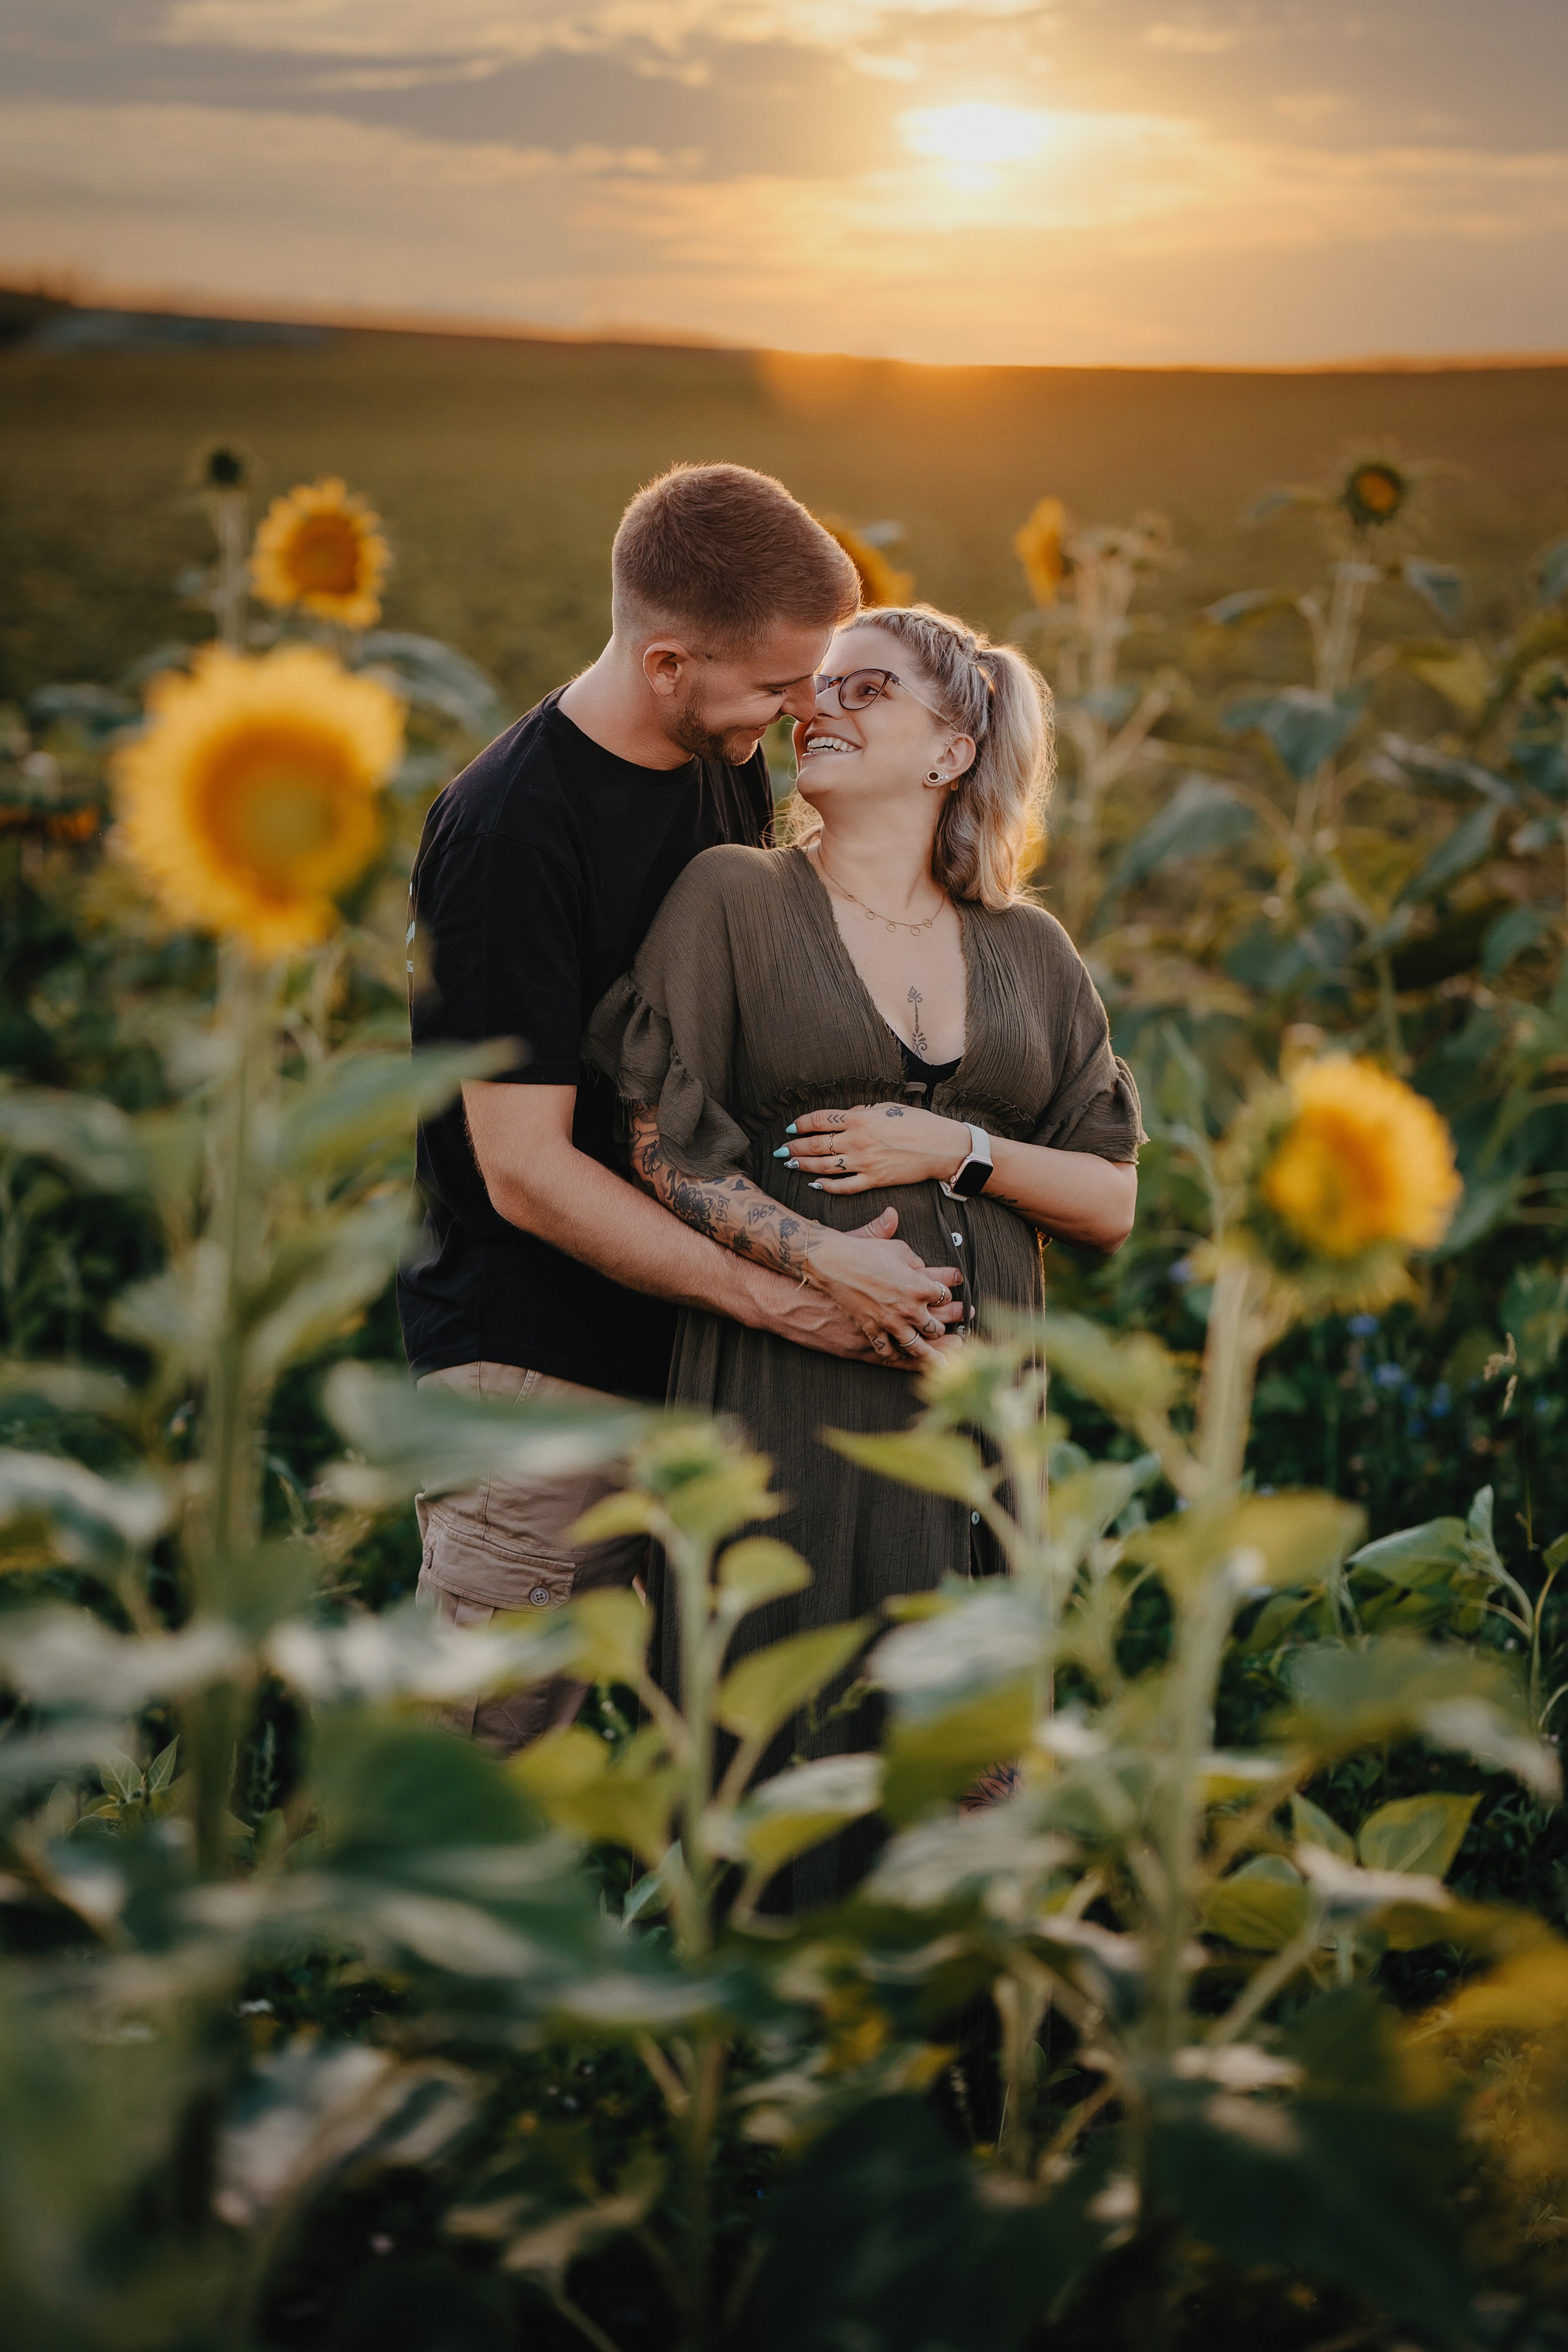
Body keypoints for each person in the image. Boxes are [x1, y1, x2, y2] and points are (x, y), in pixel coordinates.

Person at [399, 467, 965, 1752]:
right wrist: (794, 1292)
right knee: (466, 1790)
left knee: (718, 1771)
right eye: (775, 686)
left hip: (694, 1360)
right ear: (665, 662)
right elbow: (523, 1170)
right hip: (538, 1384)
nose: (800, 709)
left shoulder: (720, 765)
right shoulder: (511, 833)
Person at [585, 601, 1142, 1899]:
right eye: (812, 689)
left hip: (976, 1427)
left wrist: (949, 1149)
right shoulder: (734, 898)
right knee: (771, 1741)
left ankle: (953, 2085)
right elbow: (662, 1145)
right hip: (782, 1395)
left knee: (964, 1787)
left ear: (951, 750)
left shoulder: (1030, 954)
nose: (813, 708)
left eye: (864, 690)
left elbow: (1108, 1199)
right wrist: (822, 1264)